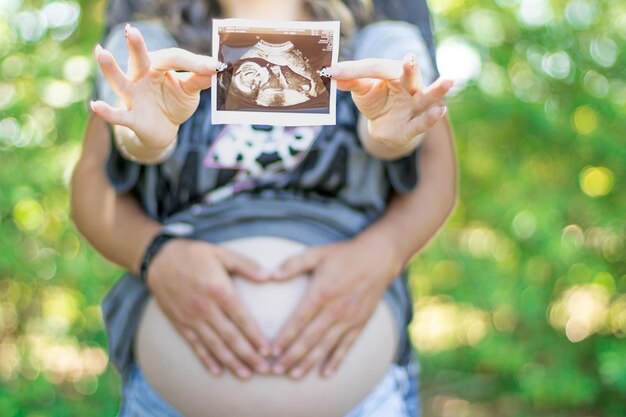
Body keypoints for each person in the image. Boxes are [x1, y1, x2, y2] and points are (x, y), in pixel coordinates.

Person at [70, 0, 457, 415]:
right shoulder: (148, 45)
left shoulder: (383, 39)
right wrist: (154, 253)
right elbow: (99, 178)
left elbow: (420, 154)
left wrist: (383, 250)